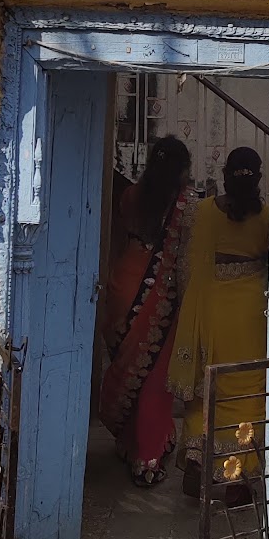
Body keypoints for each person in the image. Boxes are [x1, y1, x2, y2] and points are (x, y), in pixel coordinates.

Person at [167, 145, 269, 501]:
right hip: (250, 316)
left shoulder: (202, 213)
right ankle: (236, 479)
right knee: (246, 394)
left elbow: (185, 265)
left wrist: (188, 309)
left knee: (206, 389)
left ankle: (197, 465)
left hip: (208, 310)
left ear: (225, 175)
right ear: (258, 179)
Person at [99, 135, 193, 487]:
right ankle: (147, 457)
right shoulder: (185, 205)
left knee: (128, 370)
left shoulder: (131, 196)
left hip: (123, 284)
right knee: (154, 378)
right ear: (182, 170)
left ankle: (128, 442)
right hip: (160, 295)